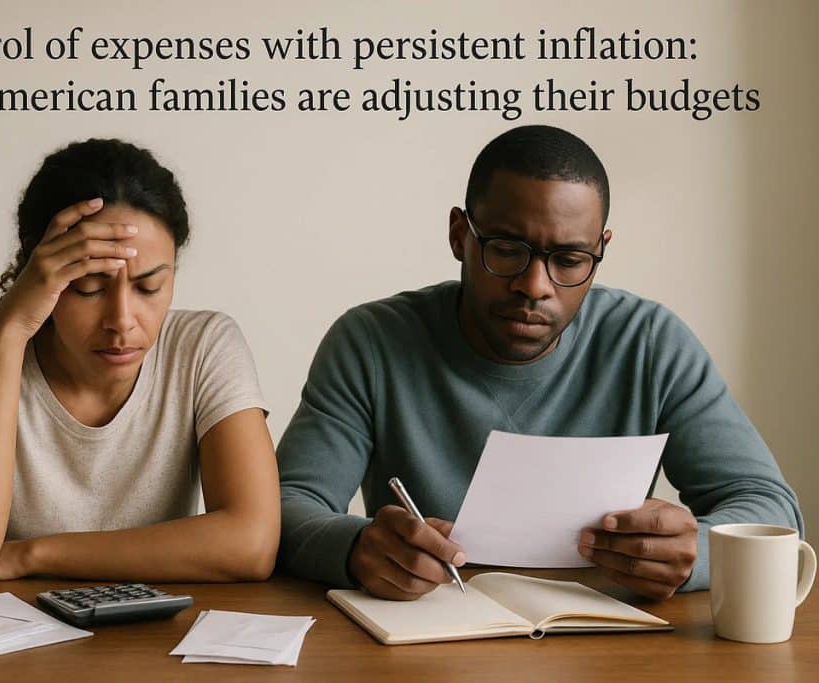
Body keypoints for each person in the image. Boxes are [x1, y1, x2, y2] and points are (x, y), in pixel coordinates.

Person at [277, 125, 803, 601]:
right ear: (461, 235)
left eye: (569, 261)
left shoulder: (649, 342)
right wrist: (354, 547)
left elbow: (769, 508)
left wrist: (694, 555)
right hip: (425, 641)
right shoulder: (371, 342)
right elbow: (287, 504)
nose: (535, 287)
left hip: (609, 645)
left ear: (601, 250)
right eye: (506, 250)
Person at [0, 139, 279, 595]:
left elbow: (252, 543)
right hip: (7, 654)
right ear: (37, 272)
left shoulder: (203, 347)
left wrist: (29, 554)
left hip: (156, 645)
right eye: (87, 288)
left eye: (149, 287)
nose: (122, 321)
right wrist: (11, 329)